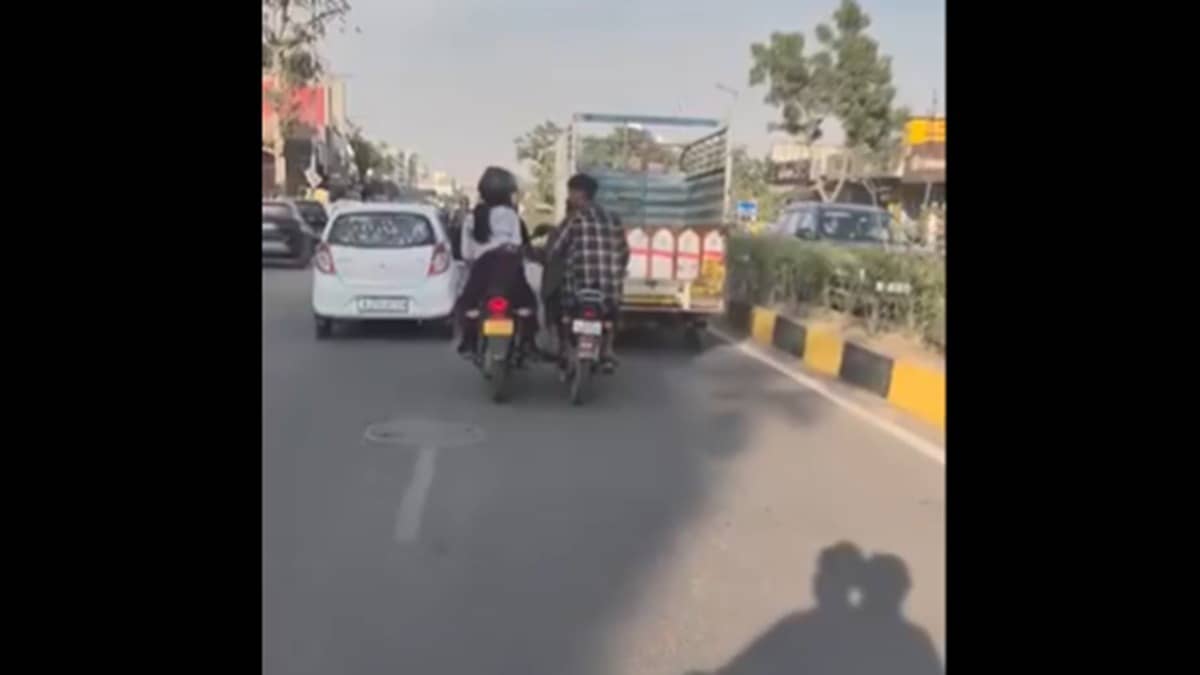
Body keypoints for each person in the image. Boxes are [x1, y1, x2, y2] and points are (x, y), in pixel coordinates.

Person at [546, 173, 629, 370]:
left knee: (562, 310)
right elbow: (624, 252)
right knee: (611, 313)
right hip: (609, 288)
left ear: (579, 194)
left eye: (571, 193)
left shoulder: (574, 219)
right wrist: (616, 270)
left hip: (577, 287)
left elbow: (556, 250)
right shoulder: (613, 219)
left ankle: (565, 347)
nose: (570, 197)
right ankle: (607, 349)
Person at [453, 166, 537, 356]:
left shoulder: (471, 218)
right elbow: (516, 243)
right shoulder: (511, 216)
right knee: (526, 305)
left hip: (482, 269)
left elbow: (466, 254)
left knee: (469, 305)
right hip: (509, 267)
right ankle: (527, 343)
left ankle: (469, 342)